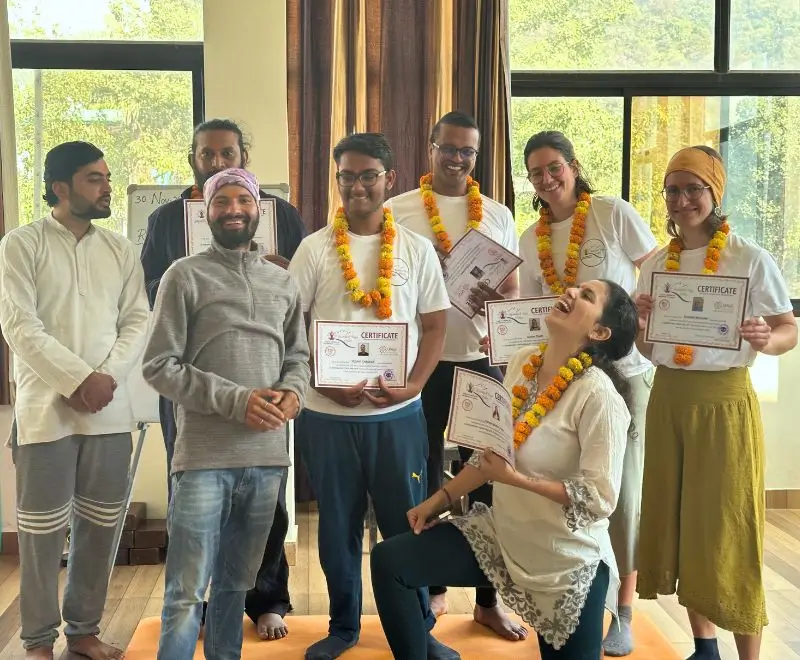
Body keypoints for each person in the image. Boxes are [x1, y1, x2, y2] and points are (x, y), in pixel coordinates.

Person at [370, 279, 640, 660]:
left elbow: (599, 499)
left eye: (586, 297)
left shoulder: (598, 396)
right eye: (575, 288)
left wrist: (516, 479)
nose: (571, 293)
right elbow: (491, 455)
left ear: (599, 331)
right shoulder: (524, 363)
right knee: (390, 561)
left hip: (566, 565)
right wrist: (437, 501)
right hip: (504, 537)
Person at [489, 130, 658, 656]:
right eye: (535, 172)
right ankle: (558, 587)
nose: (546, 179)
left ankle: (622, 610)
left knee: (621, 496)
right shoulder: (528, 236)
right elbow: (532, 311)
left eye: (553, 167)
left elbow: (653, 268)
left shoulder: (610, 213)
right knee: (552, 474)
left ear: (573, 164)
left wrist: (648, 309)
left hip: (620, 371)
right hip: (559, 378)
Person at [140, 117, 305, 639]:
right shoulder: (180, 268)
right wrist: (236, 400)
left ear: (259, 205)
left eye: (243, 200)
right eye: (220, 201)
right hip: (205, 450)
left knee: (239, 578)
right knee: (187, 588)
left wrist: (295, 393)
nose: (233, 209)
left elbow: (297, 353)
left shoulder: (281, 279)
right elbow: (158, 362)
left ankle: (264, 609)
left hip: (266, 451)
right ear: (203, 210)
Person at [288, 133, 450, 660]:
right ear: (336, 181)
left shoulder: (415, 248)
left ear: (389, 180)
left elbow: (434, 326)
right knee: (336, 527)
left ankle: (417, 628)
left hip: (397, 414)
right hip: (327, 417)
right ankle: (342, 626)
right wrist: (321, 381)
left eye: (367, 176)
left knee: (409, 525)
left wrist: (416, 385)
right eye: (346, 177)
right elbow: (292, 330)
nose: (357, 186)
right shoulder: (314, 249)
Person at [634, 146, 797, 660]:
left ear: (715, 193)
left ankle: (749, 653)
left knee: (728, 525)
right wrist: (639, 326)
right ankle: (704, 646)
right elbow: (646, 348)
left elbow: (787, 328)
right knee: (679, 521)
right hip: (667, 400)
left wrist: (764, 338)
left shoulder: (749, 258)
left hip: (724, 404)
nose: (683, 200)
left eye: (694, 189)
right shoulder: (657, 265)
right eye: (674, 190)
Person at [0, 141, 149, 660]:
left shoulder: (121, 250)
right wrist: (76, 379)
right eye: (94, 178)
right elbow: (18, 324)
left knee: (101, 528)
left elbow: (137, 320)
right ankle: (38, 640)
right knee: (41, 536)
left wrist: (104, 378)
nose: (106, 185)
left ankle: (83, 632)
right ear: (60, 187)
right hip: (45, 413)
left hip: (109, 411)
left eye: (106, 176)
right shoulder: (21, 244)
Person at [387, 111, 522, 640]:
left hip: (479, 360)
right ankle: (431, 589)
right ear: (430, 147)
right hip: (420, 364)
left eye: (468, 151)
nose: (458, 159)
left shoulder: (496, 214)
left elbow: (512, 293)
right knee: (420, 475)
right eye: (449, 148)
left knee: (485, 476)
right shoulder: (397, 212)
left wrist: (496, 300)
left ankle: (488, 600)